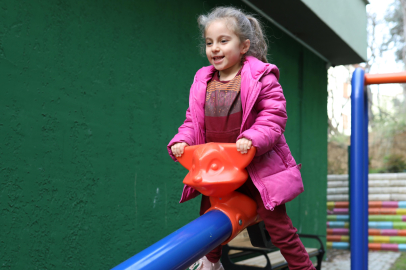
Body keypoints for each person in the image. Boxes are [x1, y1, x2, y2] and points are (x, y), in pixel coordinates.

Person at [167, 6, 315, 270]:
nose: (215, 48)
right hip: (218, 167)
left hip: (257, 167)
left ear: (244, 45)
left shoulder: (261, 77)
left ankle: (303, 267)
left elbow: (273, 117)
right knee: (209, 221)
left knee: (279, 227)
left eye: (224, 41)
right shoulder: (203, 80)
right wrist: (182, 141)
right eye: (209, 42)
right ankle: (212, 263)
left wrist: (253, 138)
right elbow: (193, 121)